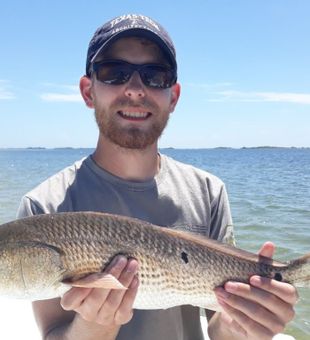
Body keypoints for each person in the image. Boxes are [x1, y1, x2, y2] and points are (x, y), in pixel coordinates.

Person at [17, 14, 297, 340]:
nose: (135, 90)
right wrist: (96, 327)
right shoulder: (43, 206)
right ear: (88, 90)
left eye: (156, 76)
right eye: (114, 72)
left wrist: (245, 322)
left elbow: (220, 330)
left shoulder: (208, 192)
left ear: (173, 96)